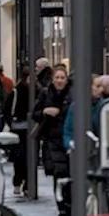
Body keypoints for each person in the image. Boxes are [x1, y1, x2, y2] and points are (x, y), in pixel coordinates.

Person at [32, 64, 72, 202]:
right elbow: (34, 114)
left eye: (62, 78)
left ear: (66, 80)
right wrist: (44, 111)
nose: (60, 81)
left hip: (69, 139)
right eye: (57, 77)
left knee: (70, 174)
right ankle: (62, 206)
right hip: (52, 140)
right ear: (53, 79)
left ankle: (69, 205)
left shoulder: (72, 95)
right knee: (59, 173)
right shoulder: (45, 93)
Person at [6, 67, 33, 197]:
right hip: (21, 129)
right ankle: (22, 183)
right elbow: (7, 109)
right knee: (22, 158)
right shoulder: (17, 91)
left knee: (24, 158)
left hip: (24, 128)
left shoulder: (35, 91)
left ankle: (23, 184)